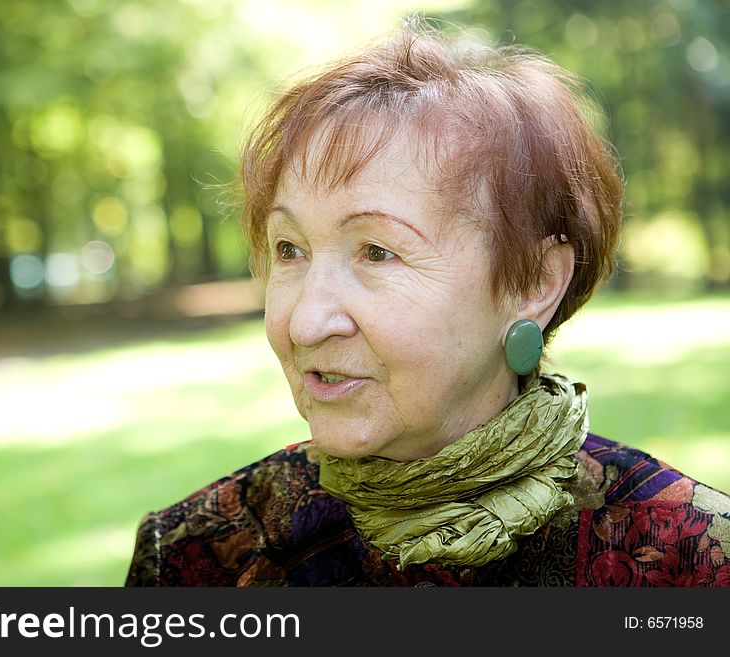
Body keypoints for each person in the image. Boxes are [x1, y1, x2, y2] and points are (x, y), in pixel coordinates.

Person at [125, 23, 730, 587]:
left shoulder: (693, 562)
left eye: (378, 252)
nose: (306, 322)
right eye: (290, 248)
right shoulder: (197, 556)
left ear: (535, 283)